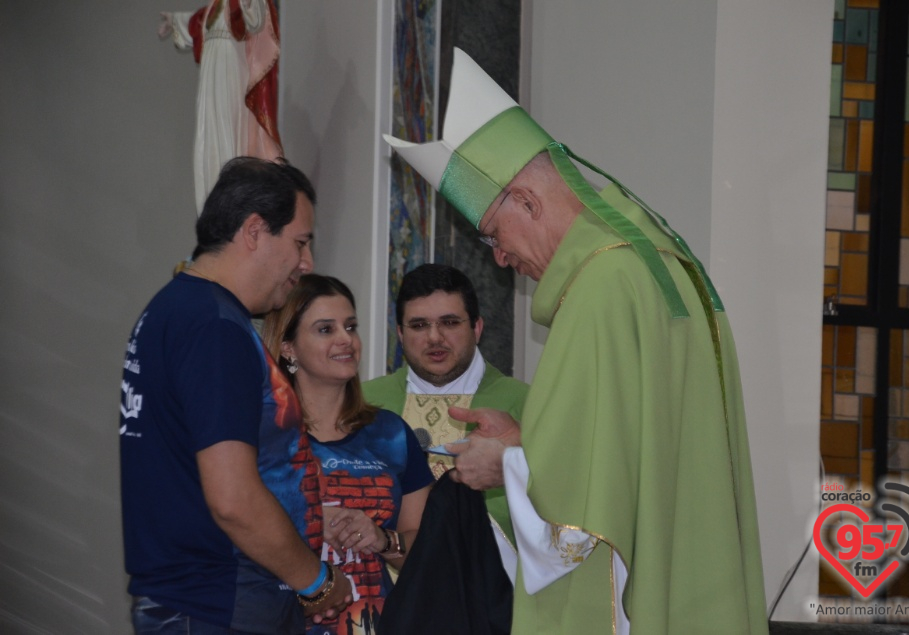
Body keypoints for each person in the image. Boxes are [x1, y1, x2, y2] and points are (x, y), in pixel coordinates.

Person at [383, 48, 768, 634]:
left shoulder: (600, 287)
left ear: (529, 201)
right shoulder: (660, 261)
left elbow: (581, 516)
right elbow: (632, 451)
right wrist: (527, 441)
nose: (503, 258)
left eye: (493, 236)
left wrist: (508, 464)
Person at [119, 157, 351, 634]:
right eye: (300, 242)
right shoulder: (215, 329)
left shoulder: (174, 308)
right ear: (254, 230)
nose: (306, 263)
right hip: (215, 604)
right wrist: (319, 583)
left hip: (194, 601)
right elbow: (233, 497)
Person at [261, 274, 434, 635]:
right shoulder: (261, 434)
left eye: (350, 326)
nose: (346, 340)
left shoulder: (391, 434)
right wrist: (305, 522)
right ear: (288, 347)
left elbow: (428, 553)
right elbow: (232, 528)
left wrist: (383, 539)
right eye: (326, 329)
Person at [363, 263, 528, 562]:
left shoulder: (525, 403)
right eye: (419, 325)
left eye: (450, 322)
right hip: (383, 594)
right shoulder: (366, 403)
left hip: (492, 591)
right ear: (400, 333)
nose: (434, 338)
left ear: (477, 328)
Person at [159, 0, 283, 215]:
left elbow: (256, 20)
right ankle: (212, 206)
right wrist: (174, 20)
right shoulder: (213, 7)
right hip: (211, 83)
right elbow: (196, 23)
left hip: (232, 77)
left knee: (230, 134)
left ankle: (232, 205)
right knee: (209, 138)